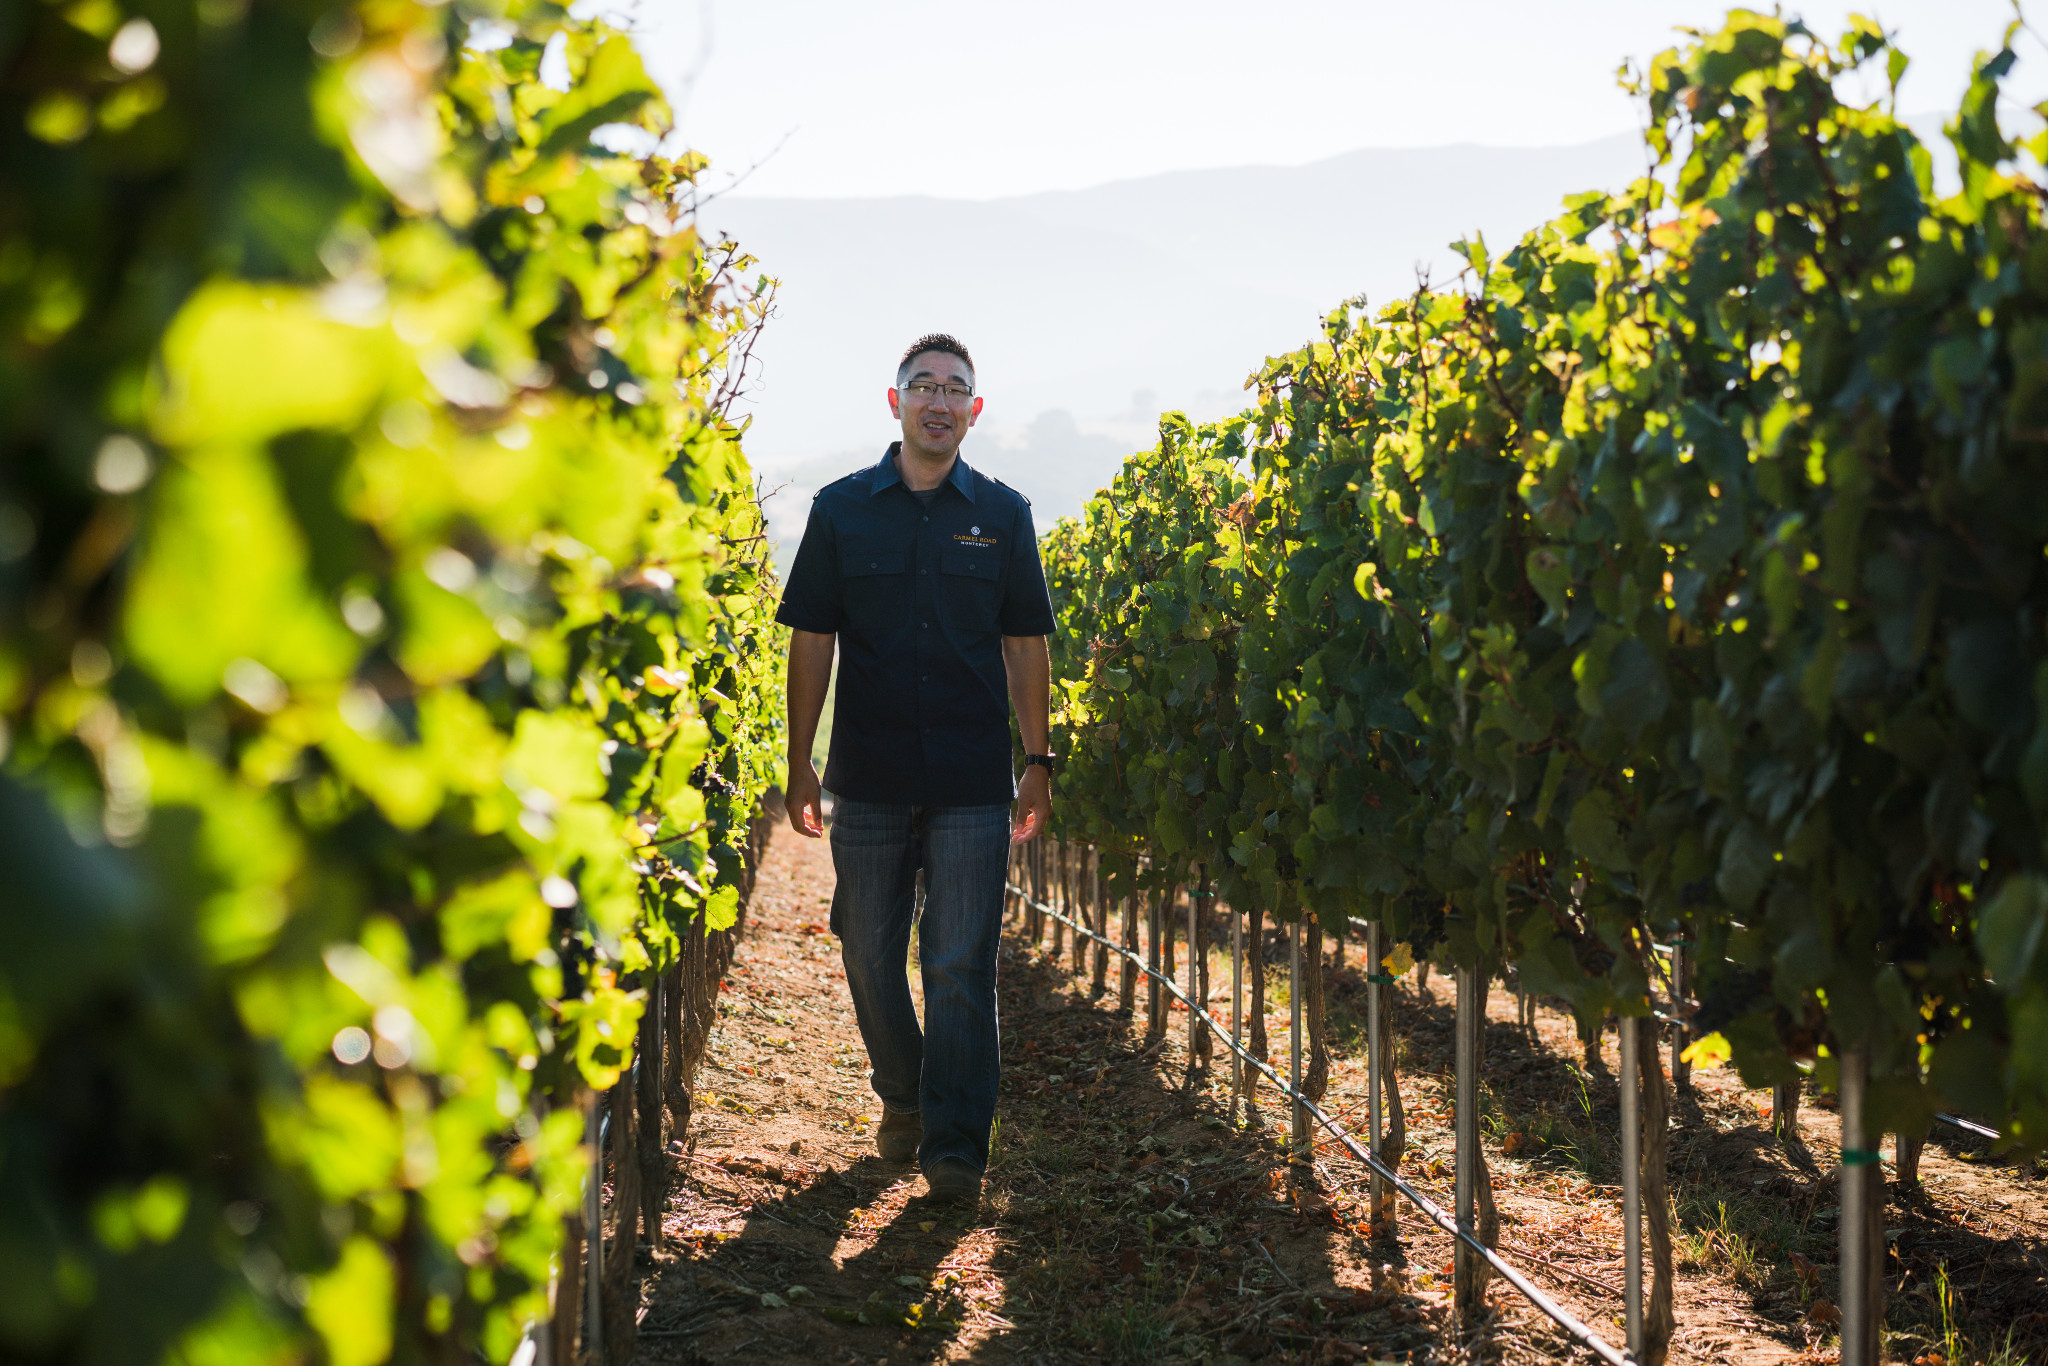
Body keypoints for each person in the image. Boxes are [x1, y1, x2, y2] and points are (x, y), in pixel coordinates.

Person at [775, 333, 1055, 1205]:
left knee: (961, 965)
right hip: (867, 776)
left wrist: (1038, 760)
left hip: (973, 782)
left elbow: (1025, 644)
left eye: (956, 389)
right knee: (866, 950)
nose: (940, 401)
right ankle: (903, 1092)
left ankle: (955, 1148)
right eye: (924, 386)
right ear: (894, 403)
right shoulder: (841, 509)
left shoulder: (1004, 514)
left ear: (976, 410)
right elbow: (812, 639)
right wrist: (800, 763)